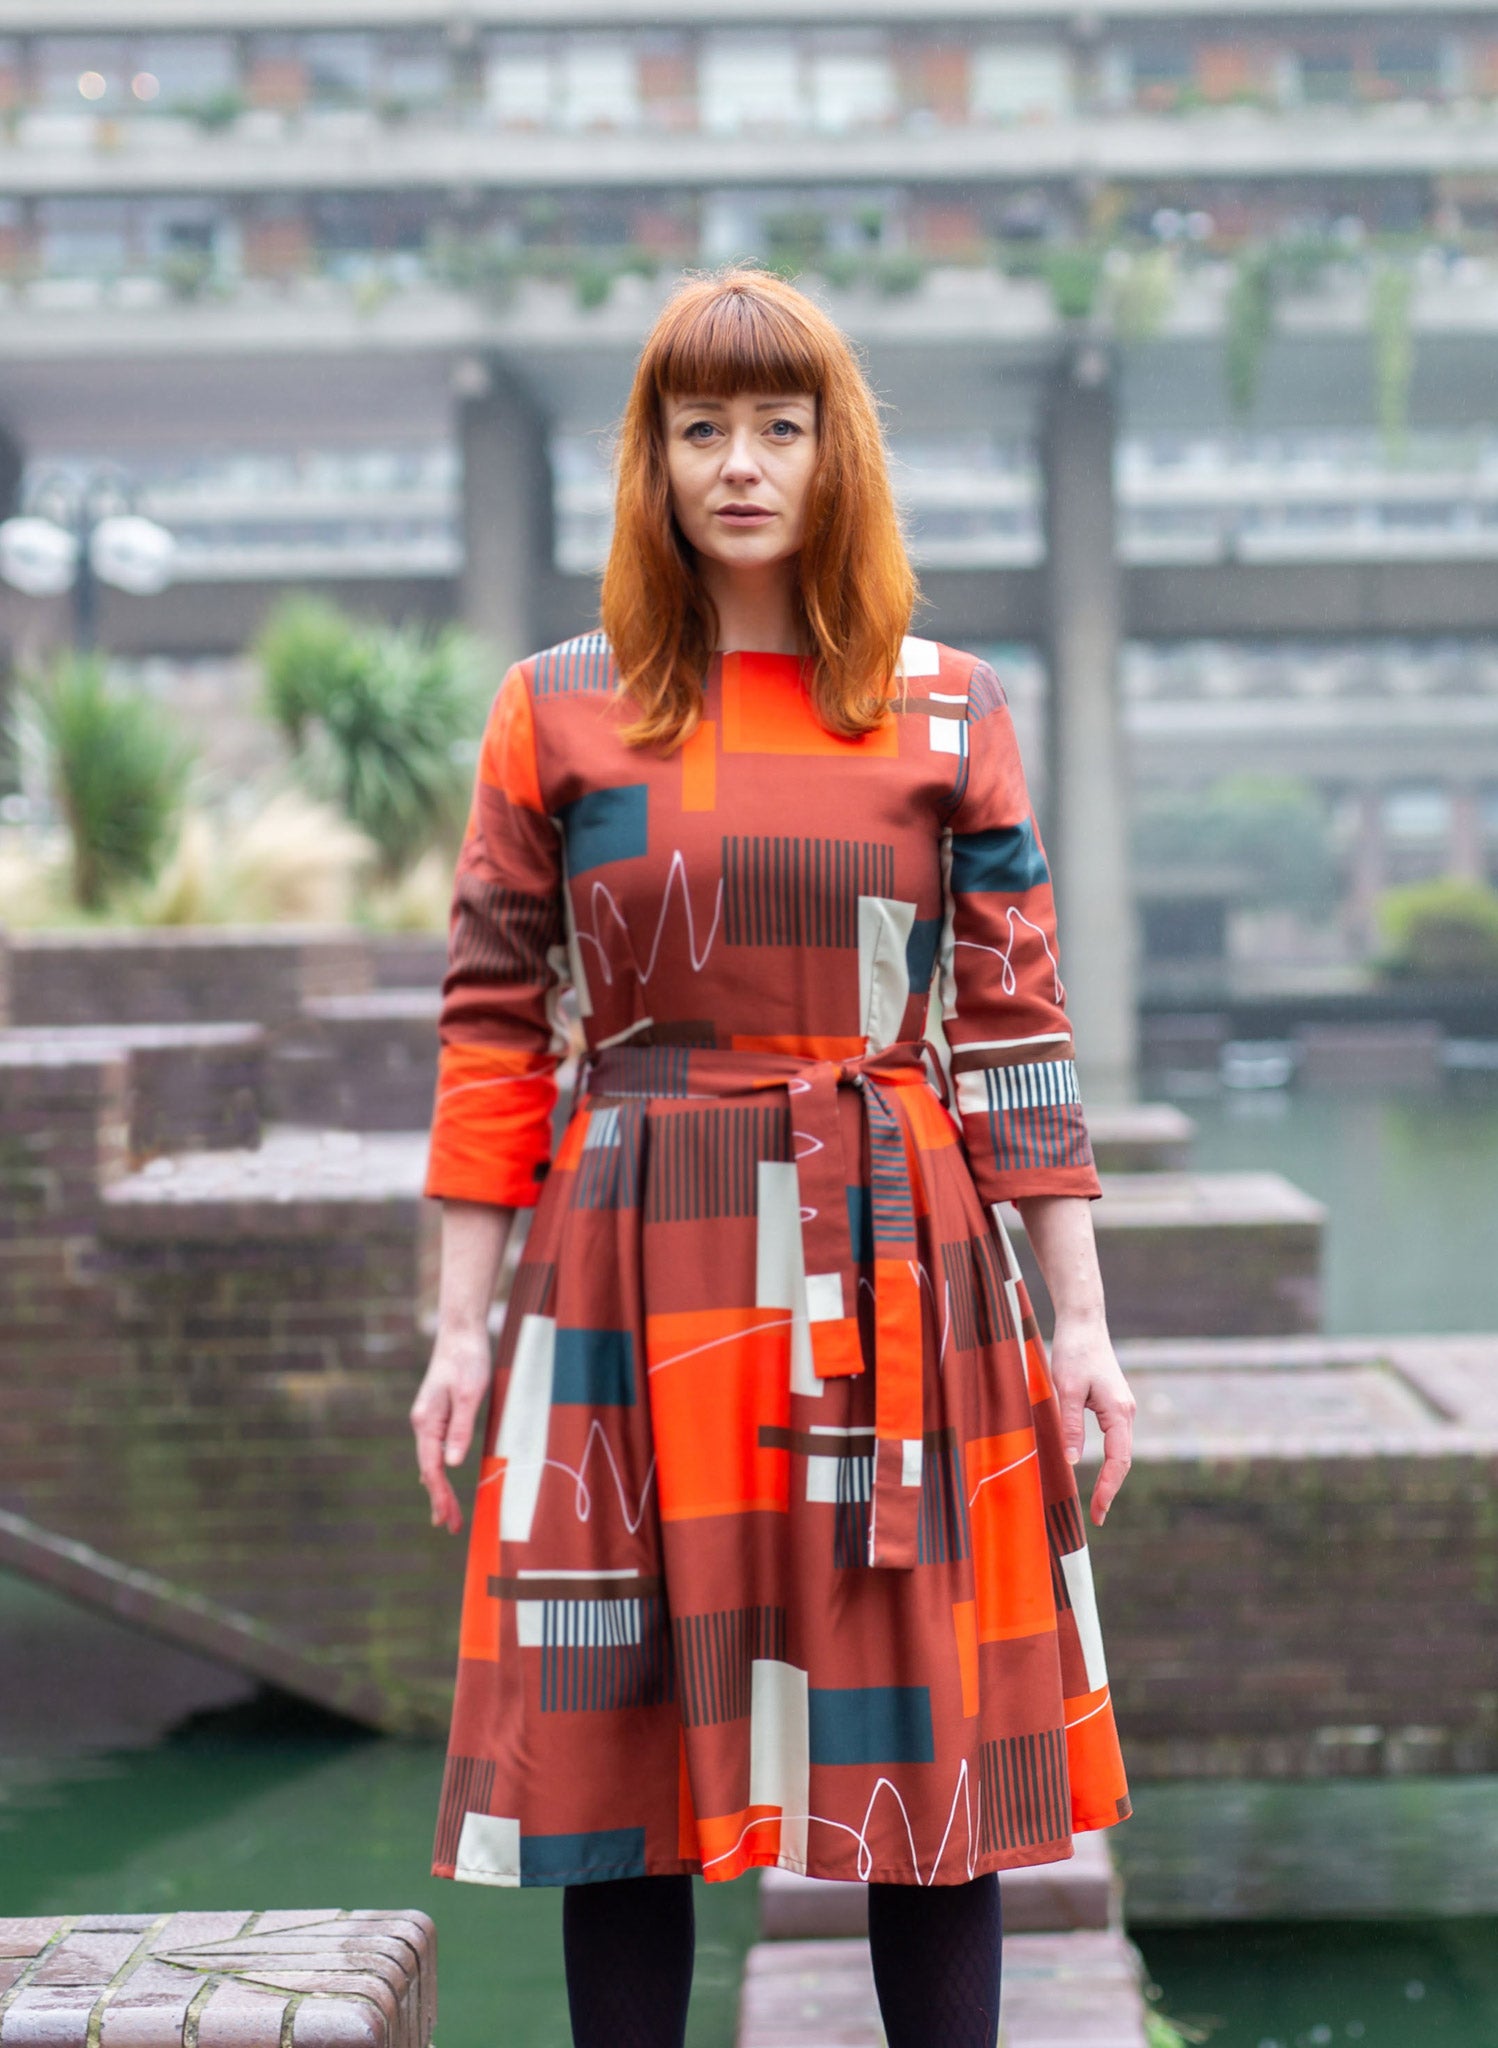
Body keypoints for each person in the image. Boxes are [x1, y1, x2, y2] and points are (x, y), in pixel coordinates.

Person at [410, 268, 1135, 2048]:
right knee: (617, 1762)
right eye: (701, 426)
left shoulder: (945, 707)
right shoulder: (558, 711)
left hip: (899, 1257)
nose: (740, 463)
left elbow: (1016, 1031)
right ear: (652, 458)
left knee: (925, 1749)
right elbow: (494, 1028)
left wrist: (1086, 1328)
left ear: (836, 453)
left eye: (779, 425)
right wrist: (451, 1328)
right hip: (626, 1253)